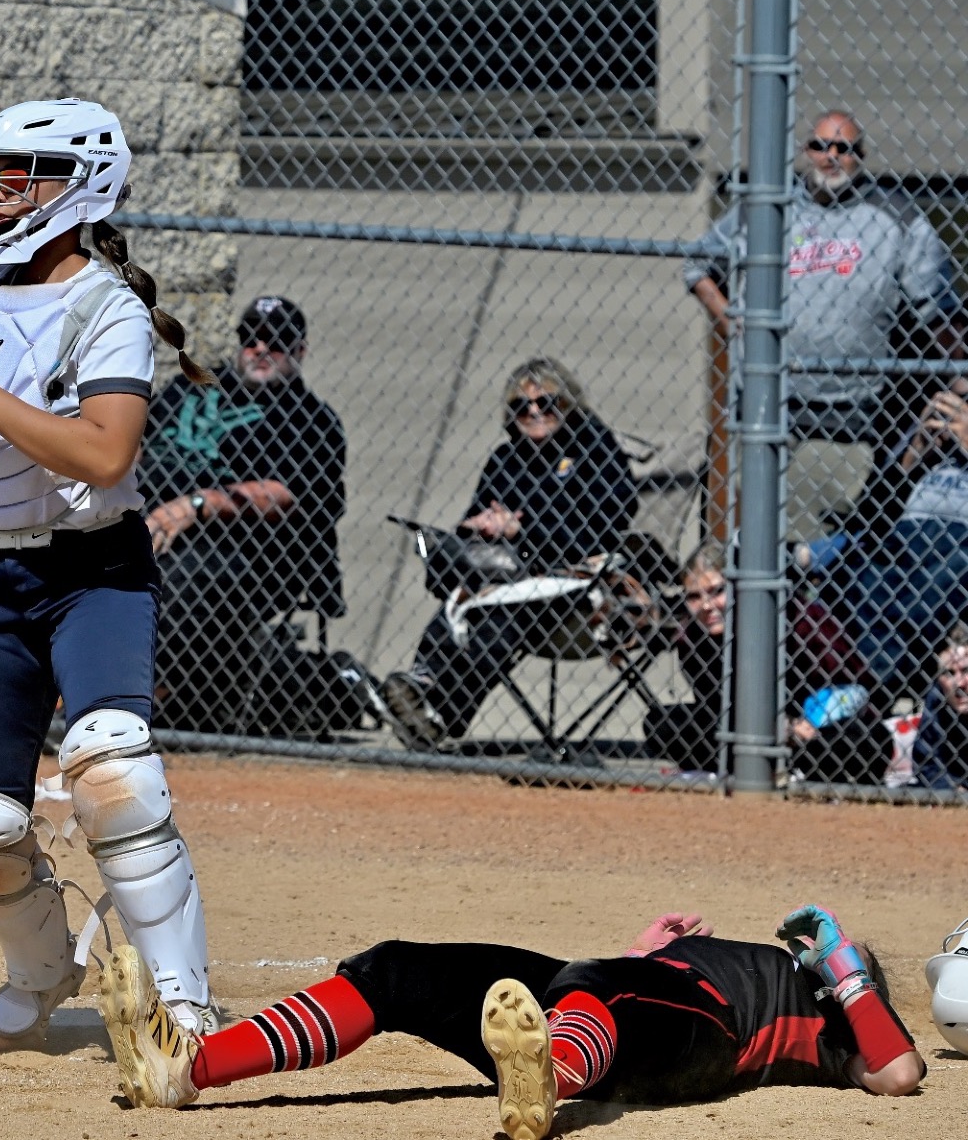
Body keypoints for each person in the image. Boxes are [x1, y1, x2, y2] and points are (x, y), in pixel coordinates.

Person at [0, 99, 219, 1049]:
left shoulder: (109, 308)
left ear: (86, 183)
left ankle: (186, 1001)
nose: (0, 189)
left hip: (92, 571)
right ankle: (43, 965)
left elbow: (104, 454)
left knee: (112, 772)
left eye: (28, 172)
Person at [99, 904, 923, 1139]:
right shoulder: (797, 984)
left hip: (704, 1032)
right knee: (396, 968)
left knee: (599, 988)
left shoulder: (828, 1025)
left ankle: (547, 1077)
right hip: (599, 1003)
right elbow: (622, 987)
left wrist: (846, 972)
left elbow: (898, 1071)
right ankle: (191, 1067)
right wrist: (642, 950)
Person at [378, 358, 638, 748]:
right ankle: (425, 693)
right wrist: (478, 525)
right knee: (461, 575)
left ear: (567, 404)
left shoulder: (595, 450)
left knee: (498, 616)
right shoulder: (505, 460)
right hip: (503, 577)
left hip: (572, 588)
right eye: (521, 407)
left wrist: (524, 528)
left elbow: (604, 527)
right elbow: (472, 519)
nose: (533, 412)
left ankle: (437, 708)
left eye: (546, 403)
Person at [139, 295, 353, 735]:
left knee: (182, 578)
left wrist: (195, 506)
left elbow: (282, 494)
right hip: (147, 523)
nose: (260, 349)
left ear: (299, 351)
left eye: (275, 342)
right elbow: (134, 442)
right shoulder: (192, 386)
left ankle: (137, 705)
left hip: (250, 553)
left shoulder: (311, 420)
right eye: (250, 339)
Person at [686, 111, 952, 447]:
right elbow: (698, 264)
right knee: (754, 492)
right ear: (806, 151)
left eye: (843, 148)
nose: (831, 156)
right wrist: (731, 321)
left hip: (852, 409)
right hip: (766, 392)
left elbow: (937, 311)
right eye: (820, 145)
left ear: (861, 156)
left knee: (824, 495)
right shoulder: (767, 207)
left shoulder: (895, 216)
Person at [652, 541, 888, 784]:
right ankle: (756, 772)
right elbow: (713, 704)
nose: (706, 606)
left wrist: (801, 724)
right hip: (744, 729)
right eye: (693, 596)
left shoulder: (800, 620)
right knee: (663, 723)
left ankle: (804, 775)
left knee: (867, 738)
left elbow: (857, 687)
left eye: (717, 591)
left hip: (812, 726)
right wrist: (775, 726)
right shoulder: (692, 639)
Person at [813, 376, 968, 704]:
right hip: (901, 543)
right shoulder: (931, 444)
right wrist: (915, 451)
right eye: (955, 398)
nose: (958, 408)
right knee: (861, 566)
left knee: (940, 573)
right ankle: (866, 685)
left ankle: (877, 689)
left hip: (956, 546)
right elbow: (872, 514)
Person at [909, 624, 968, 789]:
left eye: (966, 670)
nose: (959, 684)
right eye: (948, 673)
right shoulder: (938, 696)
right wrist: (952, 788)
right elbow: (926, 765)